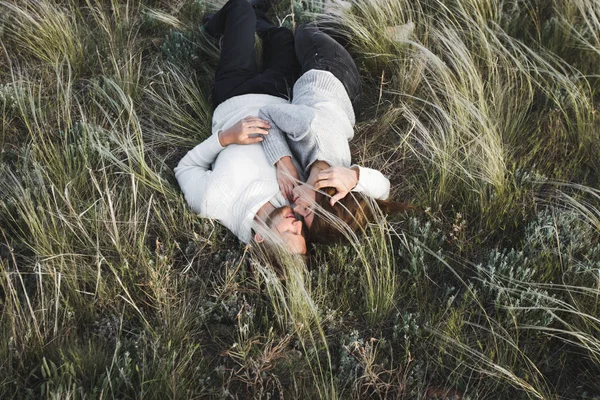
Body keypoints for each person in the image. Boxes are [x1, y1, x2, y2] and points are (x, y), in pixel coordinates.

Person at [174, 0, 307, 254]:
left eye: (291, 233)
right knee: (281, 36)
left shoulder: (213, 203)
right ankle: (259, 16)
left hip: (232, 97)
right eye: (301, 233)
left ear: (260, 239)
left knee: (240, 8)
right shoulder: (294, 198)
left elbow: (185, 168)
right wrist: (283, 159)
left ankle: (213, 27)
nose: (298, 226)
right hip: (276, 96)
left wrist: (226, 137)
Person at [259, 23, 410, 243]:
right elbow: (266, 113)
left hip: (347, 99)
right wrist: (283, 162)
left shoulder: (334, 179)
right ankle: (370, 31)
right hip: (328, 67)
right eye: (307, 210)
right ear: (325, 191)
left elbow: (383, 189)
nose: (298, 210)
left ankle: (354, 39)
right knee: (303, 31)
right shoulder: (309, 129)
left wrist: (354, 178)